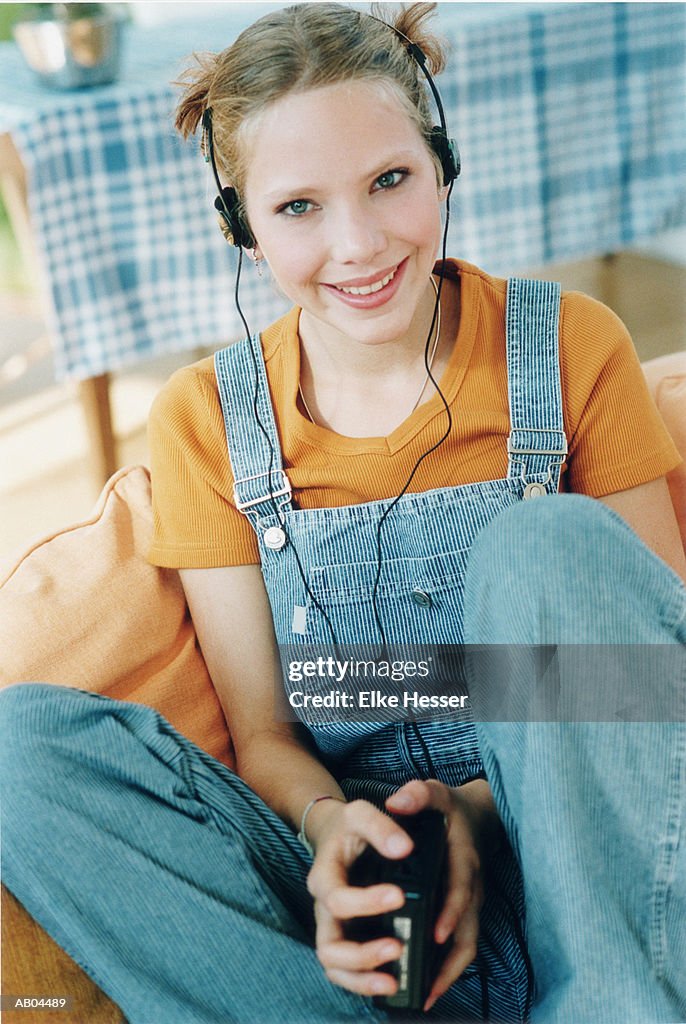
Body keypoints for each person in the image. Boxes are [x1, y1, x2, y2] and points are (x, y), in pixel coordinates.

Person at [2, 4, 685, 1023]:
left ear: (440, 164)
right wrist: (330, 832)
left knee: (544, 547)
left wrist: (471, 812)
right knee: (22, 749)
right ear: (240, 224)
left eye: (389, 181)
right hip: (354, 904)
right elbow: (264, 730)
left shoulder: (571, 345)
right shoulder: (202, 420)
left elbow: (644, 683)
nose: (357, 244)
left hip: (582, 867)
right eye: (297, 208)